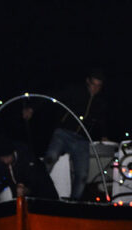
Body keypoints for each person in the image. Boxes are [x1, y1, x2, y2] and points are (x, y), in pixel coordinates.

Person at [43, 69, 110, 200]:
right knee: (50, 158)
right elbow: (53, 97)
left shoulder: (100, 102)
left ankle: (74, 203)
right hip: (63, 134)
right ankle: (39, 192)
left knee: (83, 175)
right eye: (93, 84)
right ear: (87, 81)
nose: (95, 88)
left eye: (98, 86)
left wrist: (104, 135)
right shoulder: (75, 91)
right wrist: (32, 107)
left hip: (82, 141)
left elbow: (103, 121)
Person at [0, 140, 58, 217]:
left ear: (13, 153)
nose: (5, 161)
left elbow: (36, 179)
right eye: (2, 159)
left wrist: (26, 189)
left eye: (7, 157)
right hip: (21, 198)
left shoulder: (27, 154)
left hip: (43, 192)